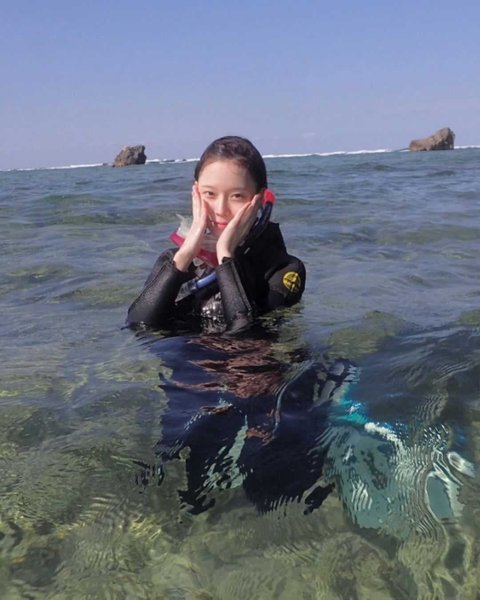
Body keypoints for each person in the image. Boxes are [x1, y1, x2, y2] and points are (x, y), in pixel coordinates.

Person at [126, 136, 306, 335]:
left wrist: (225, 256)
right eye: (210, 194)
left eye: (237, 196)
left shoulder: (283, 269)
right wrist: (184, 255)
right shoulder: (173, 260)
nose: (220, 209)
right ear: (196, 193)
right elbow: (139, 327)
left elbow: (245, 340)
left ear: (259, 199)